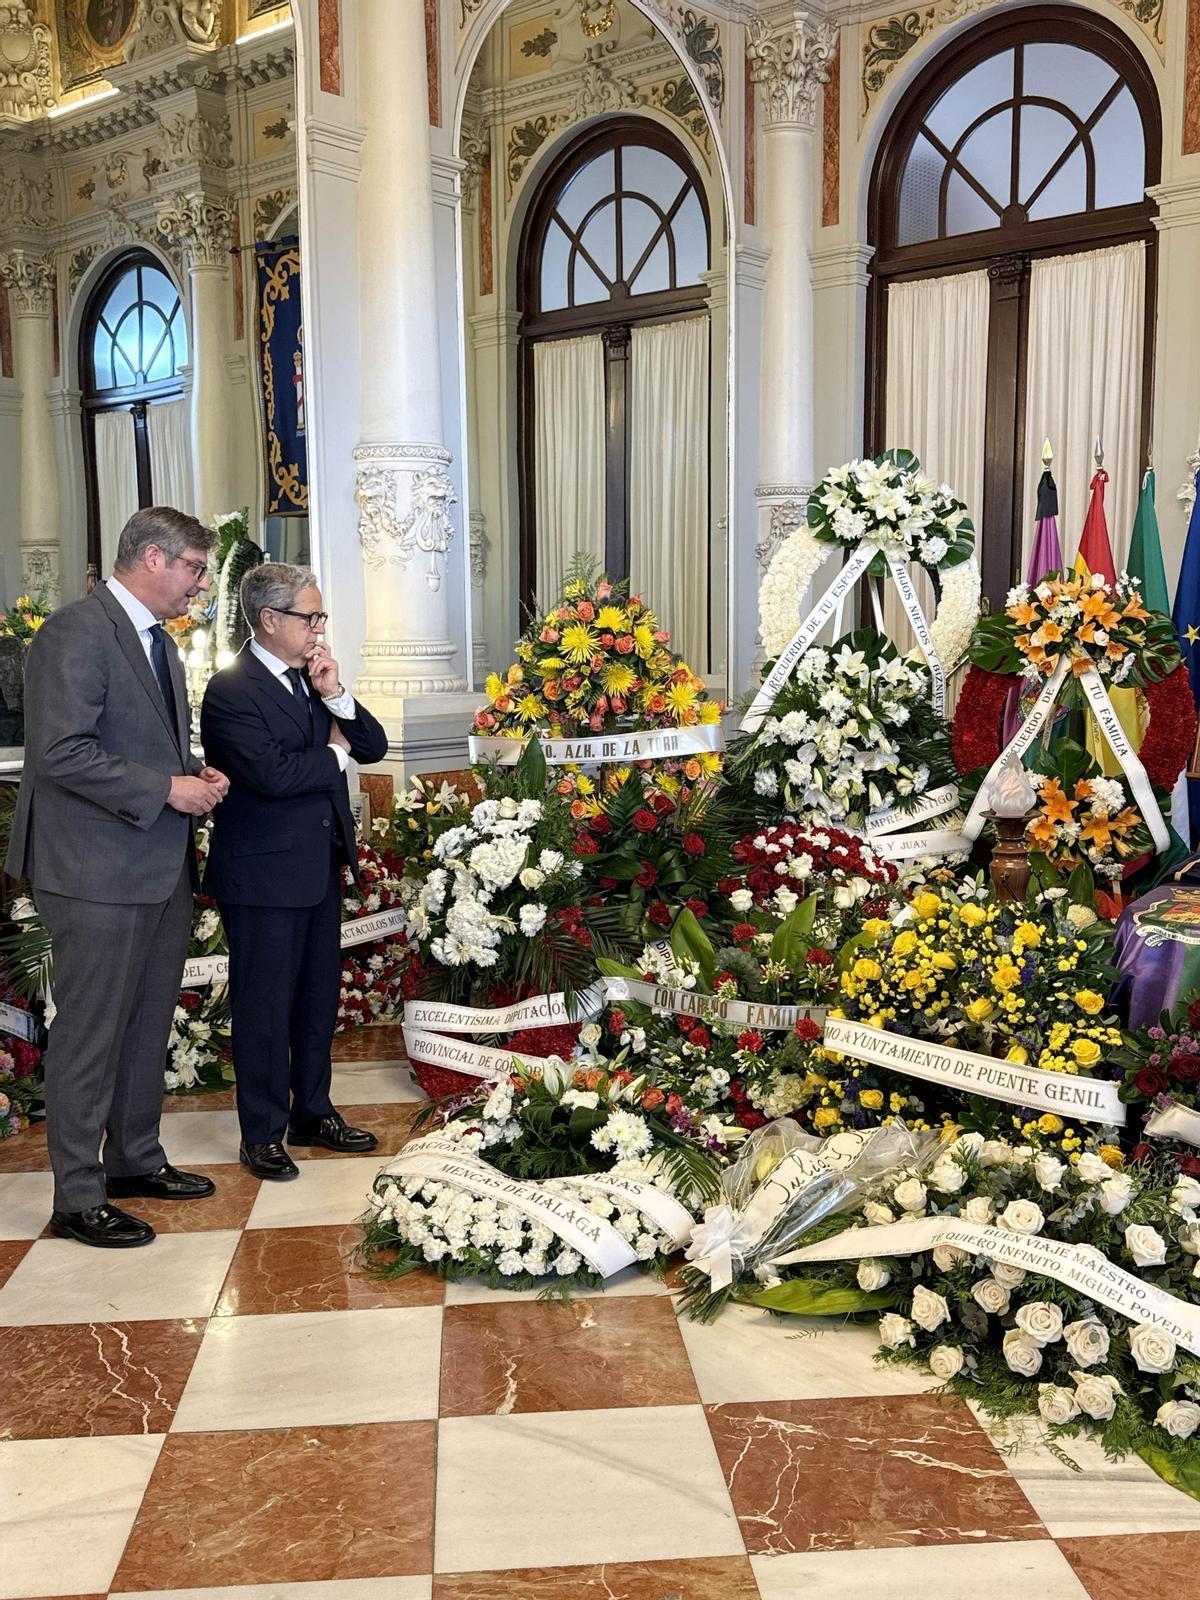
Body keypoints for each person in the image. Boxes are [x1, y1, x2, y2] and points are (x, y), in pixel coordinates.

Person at [7, 507, 230, 1248]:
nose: (201, 585)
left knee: (144, 1025)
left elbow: (141, 745)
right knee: (92, 1033)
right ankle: (76, 1197)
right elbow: (61, 753)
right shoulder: (75, 630)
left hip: (157, 863)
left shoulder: (159, 645)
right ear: (155, 558)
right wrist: (167, 789)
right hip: (93, 868)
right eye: (196, 568)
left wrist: (191, 772)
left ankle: (134, 1160)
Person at [200, 564, 388, 1180]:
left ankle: (313, 1111)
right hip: (261, 878)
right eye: (310, 617)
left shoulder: (313, 678)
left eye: (320, 616)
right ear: (270, 619)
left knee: (315, 1001)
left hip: (318, 867)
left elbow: (375, 746)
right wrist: (333, 752)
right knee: (264, 1005)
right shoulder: (231, 690)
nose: (319, 628)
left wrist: (336, 695)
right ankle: (262, 1131)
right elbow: (275, 776)